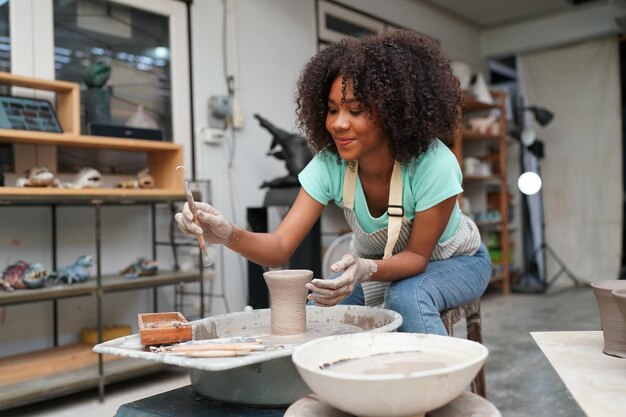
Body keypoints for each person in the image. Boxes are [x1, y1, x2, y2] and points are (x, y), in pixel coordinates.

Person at [175, 29, 492, 335]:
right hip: (382, 269)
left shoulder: (433, 163)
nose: (338, 123)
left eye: (356, 110)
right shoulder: (330, 163)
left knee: (407, 297)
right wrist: (229, 234)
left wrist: (367, 269)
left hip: (457, 263)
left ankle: (442, 387)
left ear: (394, 112)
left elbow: (416, 259)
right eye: (331, 110)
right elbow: (280, 247)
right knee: (318, 312)